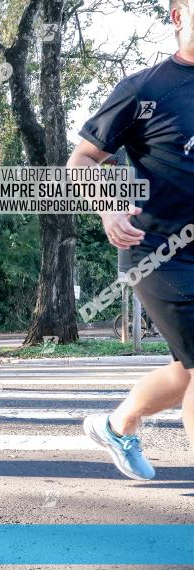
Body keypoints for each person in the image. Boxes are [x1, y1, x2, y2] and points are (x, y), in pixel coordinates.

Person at [77, 1, 194, 481]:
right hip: (156, 250)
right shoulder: (145, 88)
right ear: (177, 16)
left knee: (186, 371)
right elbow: (82, 160)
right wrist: (107, 204)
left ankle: (116, 424)